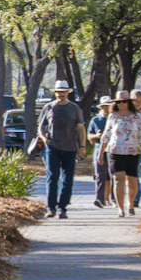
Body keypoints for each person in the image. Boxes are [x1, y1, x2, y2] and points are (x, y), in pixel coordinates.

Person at [37, 80, 85, 219]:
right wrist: (44, 138)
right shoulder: (48, 107)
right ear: (55, 93)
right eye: (58, 92)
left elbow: (80, 128)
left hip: (70, 148)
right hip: (52, 147)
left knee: (67, 179)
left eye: (63, 92)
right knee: (52, 177)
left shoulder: (74, 108)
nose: (61, 94)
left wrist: (82, 146)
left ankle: (62, 208)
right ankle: (51, 208)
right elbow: (41, 126)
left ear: (67, 93)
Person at [100, 91, 141, 217]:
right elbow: (106, 135)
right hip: (115, 151)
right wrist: (100, 153)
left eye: (124, 101)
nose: (121, 104)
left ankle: (131, 205)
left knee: (132, 181)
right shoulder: (113, 116)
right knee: (118, 180)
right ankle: (120, 208)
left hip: (132, 152)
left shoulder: (136, 117)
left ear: (129, 102)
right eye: (118, 102)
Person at [87, 95, 113, 208]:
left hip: (113, 149)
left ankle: (113, 199)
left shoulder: (115, 119)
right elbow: (89, 136)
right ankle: (99, 199)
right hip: (99, 150)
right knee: (100, 175)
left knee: (113, 176)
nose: (106, 108)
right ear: (100, 107)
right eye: (104, 106)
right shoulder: (95, 120)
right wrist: (97, 136)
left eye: (108, 106)